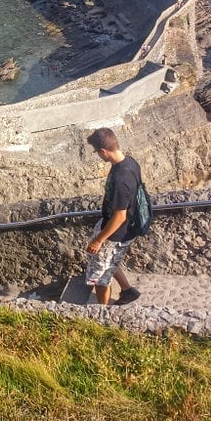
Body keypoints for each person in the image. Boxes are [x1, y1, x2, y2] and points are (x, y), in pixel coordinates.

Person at [85, 127, 142, 306]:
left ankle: (104, 311)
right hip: (122, 229)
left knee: (100, 277)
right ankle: (127, 290)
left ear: (103, 151)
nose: (98, 155)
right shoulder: (131, 162)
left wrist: (99, 240)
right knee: (108, 262)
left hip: (115, 234)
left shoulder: (120, 177)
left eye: (97, 152)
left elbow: (119, 216)